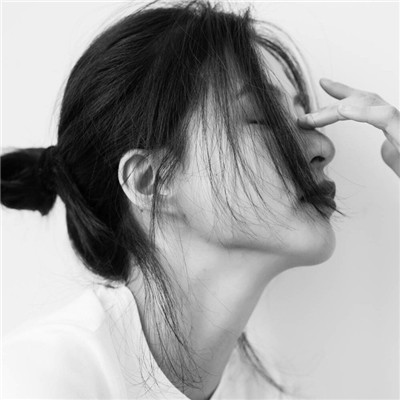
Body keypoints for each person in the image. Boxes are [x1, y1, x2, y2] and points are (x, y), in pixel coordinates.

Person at [1, 1, 398, 399]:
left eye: (304, 119)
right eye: (262, 118)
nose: (323, 147)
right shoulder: (43, 380)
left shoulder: (264, 390)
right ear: (150, 180)